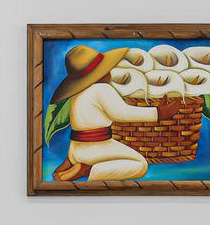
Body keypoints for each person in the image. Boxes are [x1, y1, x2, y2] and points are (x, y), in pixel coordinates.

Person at [47, 44, 170, 182]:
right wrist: (159, 113)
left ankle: (72, 160)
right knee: (140, 165)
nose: (110, 71)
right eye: (106, 68)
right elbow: (123, 113)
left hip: (76, 147)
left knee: (129, 158)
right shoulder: (102, 89)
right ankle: (87, 169)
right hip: (97, 147)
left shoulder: (77, 93)